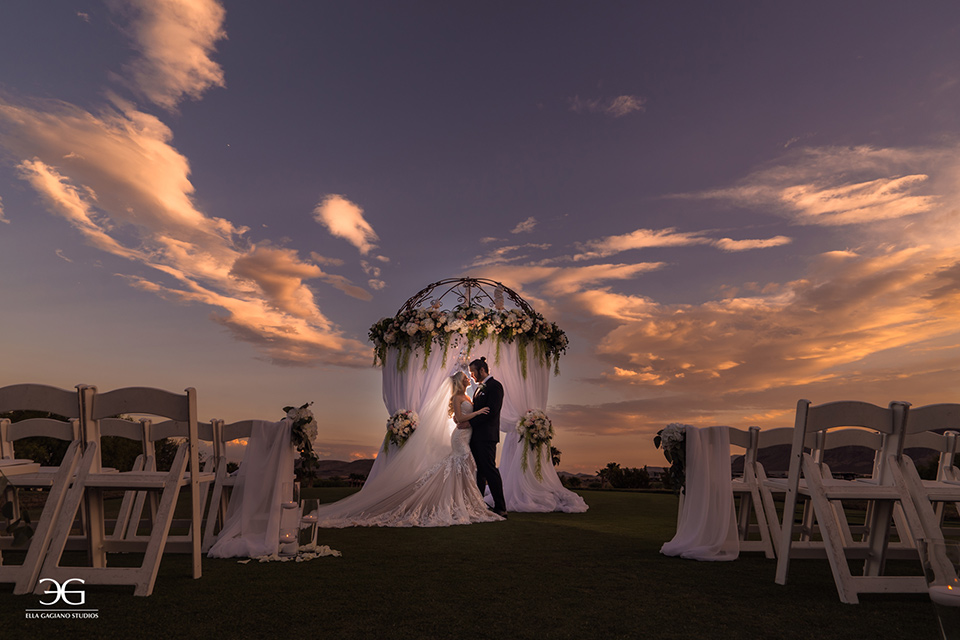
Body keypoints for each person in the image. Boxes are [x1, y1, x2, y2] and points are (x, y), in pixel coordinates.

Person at [468, 356, 507, 517]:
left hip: (487, 436)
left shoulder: (495, 386)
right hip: (476, 437)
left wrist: (469, 423)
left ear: (482, 370)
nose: (472, 376)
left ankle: (501, 507)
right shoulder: (479, 388)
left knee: (490, 470)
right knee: (480, 472)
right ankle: (479, 505)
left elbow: (491, 412)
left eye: (473, 372)